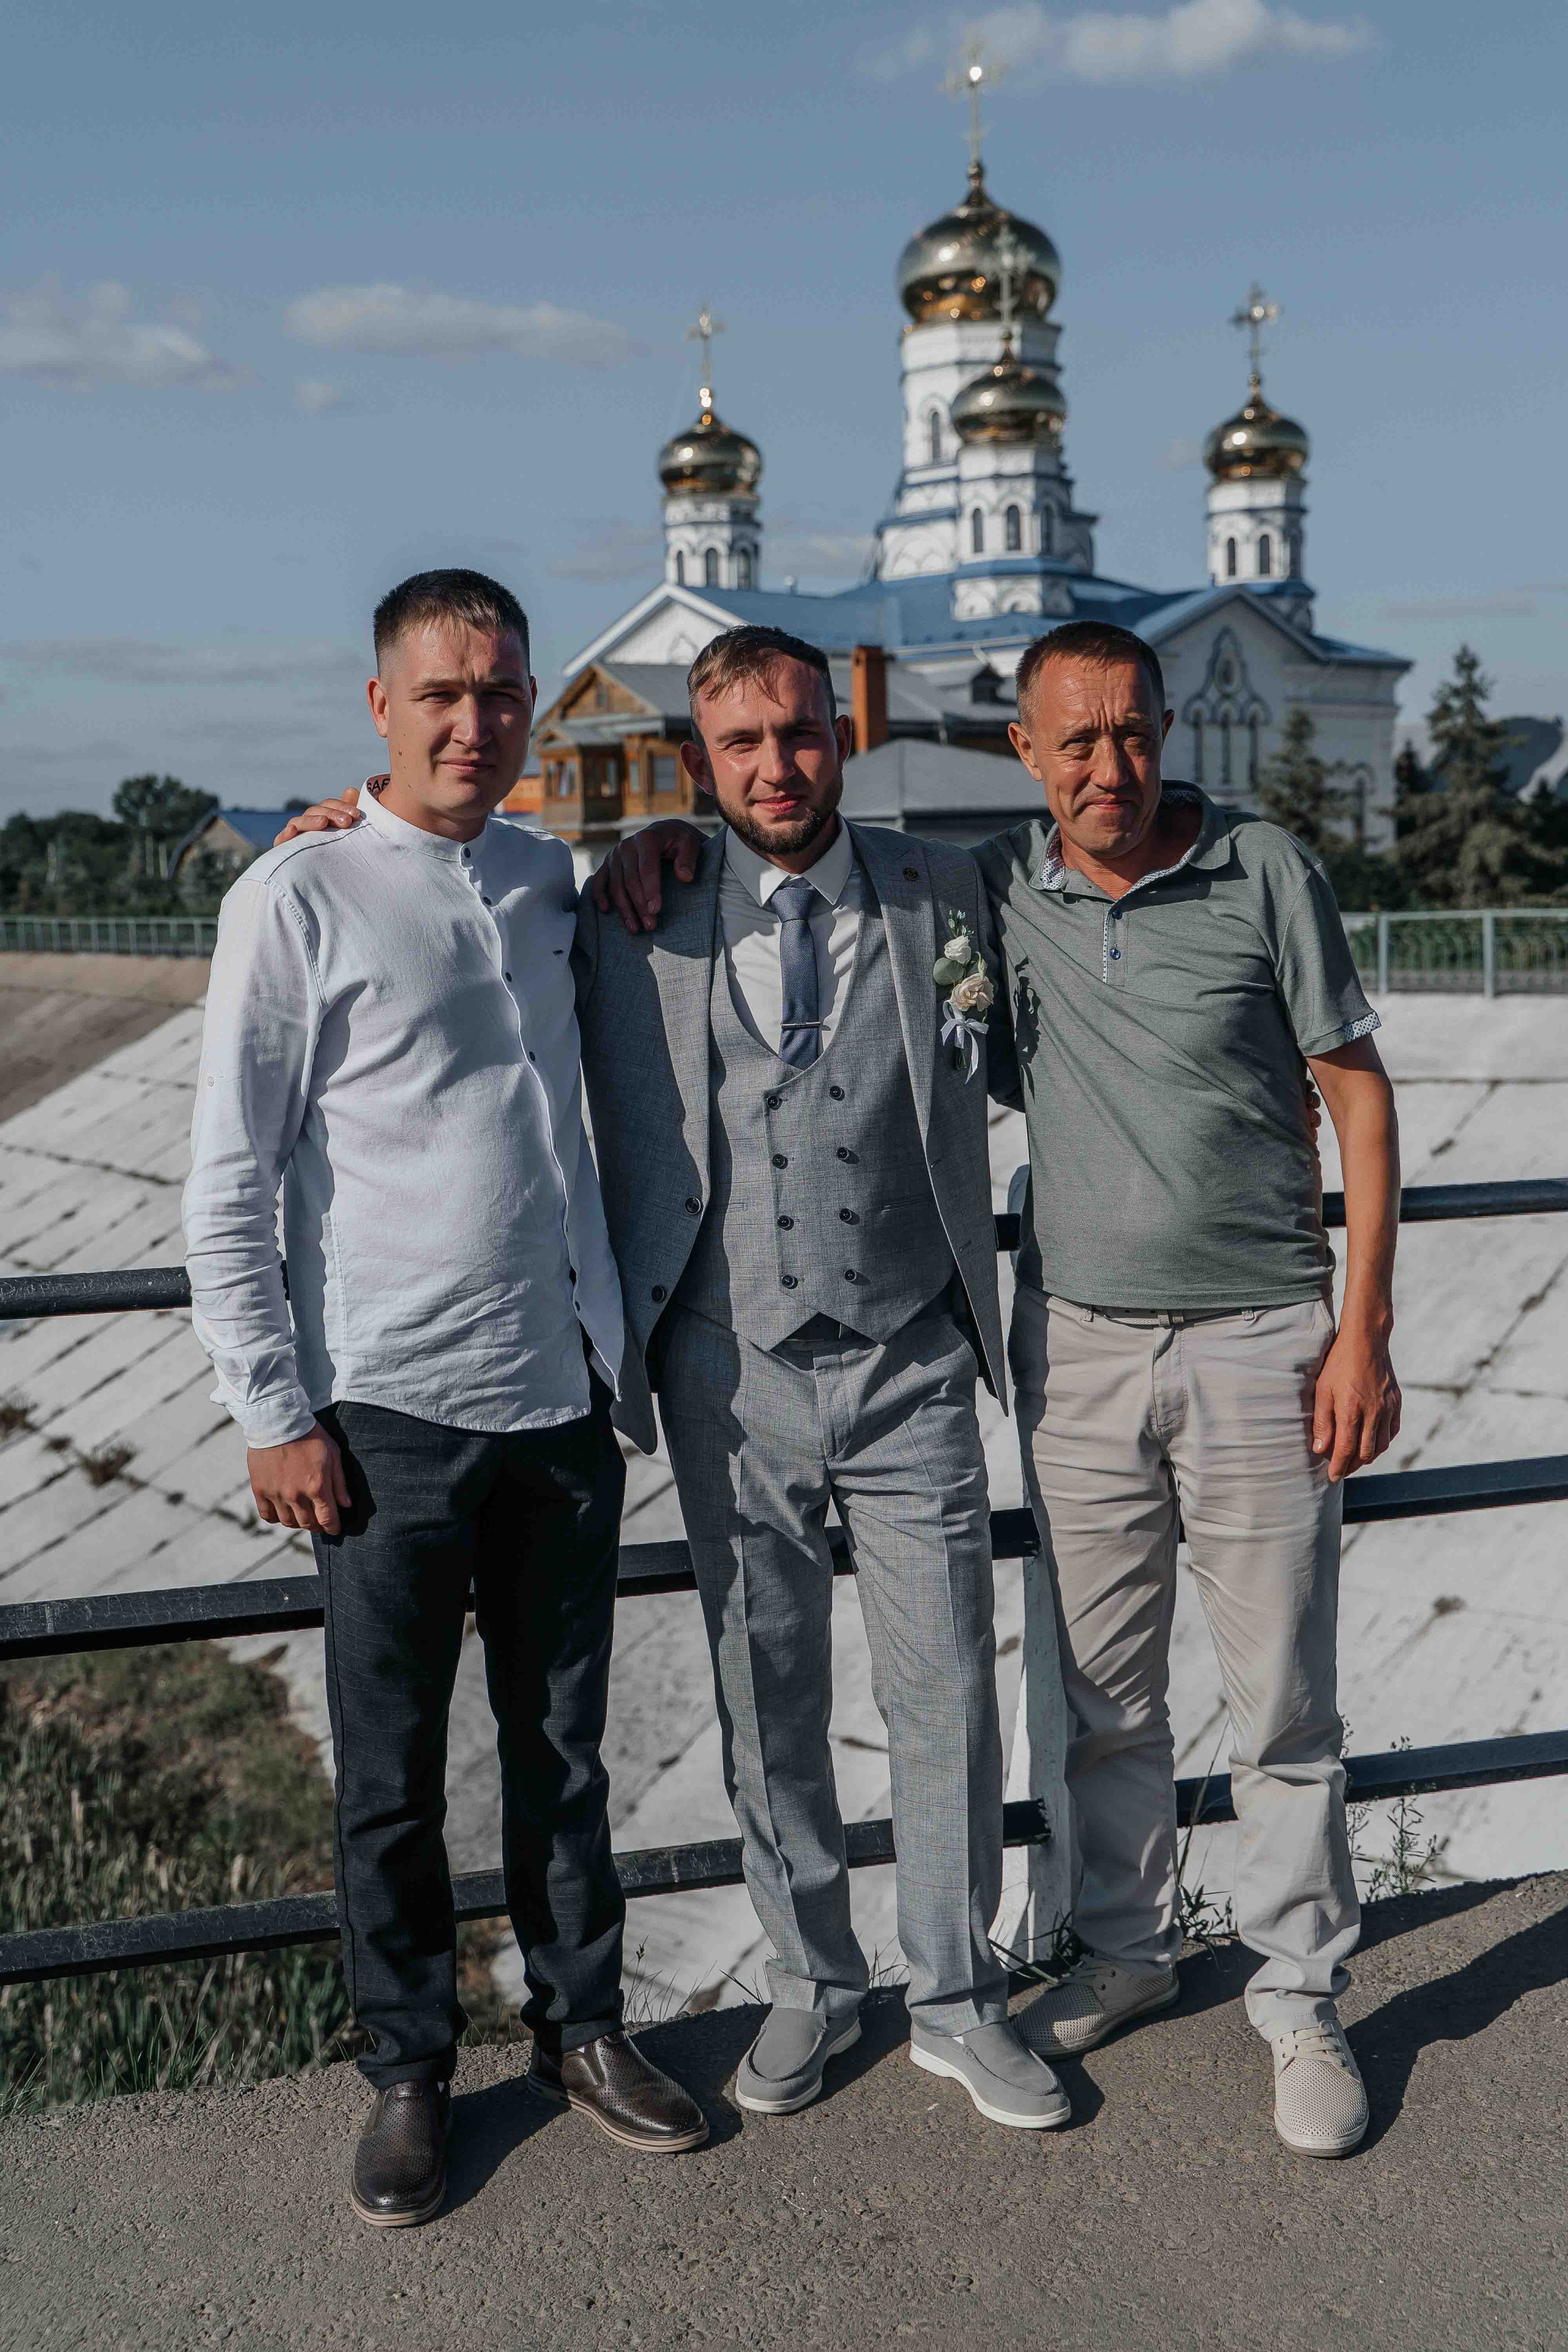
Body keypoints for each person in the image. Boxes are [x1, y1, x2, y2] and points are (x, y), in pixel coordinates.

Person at [595, 617, 1403, 2162]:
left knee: (1211, 1694)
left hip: (1171, 1342)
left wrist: (1359, 1324)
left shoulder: (1021, 882)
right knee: (1068, 1695)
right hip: (954, 1352)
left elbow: (1349, 1089)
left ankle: (1254, 1994)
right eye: (1072, 741)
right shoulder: (907, 892)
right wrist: (635, 841)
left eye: (1130, 731)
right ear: (1022, 758)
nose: (1107, 763)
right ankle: (1055, 1951)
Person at [286, 622, 1071, 2135]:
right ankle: (805, 1979)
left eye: (799, 735)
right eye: (740, 745)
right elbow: (434, 863)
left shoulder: (942, 887)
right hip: (722, 1363)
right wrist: (344, 814)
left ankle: (955, 1995)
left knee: (948, 1686)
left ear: (838, 736)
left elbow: (1057, 1025)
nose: (775, 766)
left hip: (912, 1348)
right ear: (699, 761)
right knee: (761, 1687)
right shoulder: (623, 910)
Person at [186, 569, 706, 2233]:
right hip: (386, 1416)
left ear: (533, 705)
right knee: (391, 1772)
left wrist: (670, 841)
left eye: (501, 696)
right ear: (382, 708)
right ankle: (410, 2073)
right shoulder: (300, 891)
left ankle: (583, 2029)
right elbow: (226, 1180)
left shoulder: (552, 877)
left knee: (563, 1750)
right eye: (442, 696)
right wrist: (273, 1403)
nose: (475, 723)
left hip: (558, 1396)